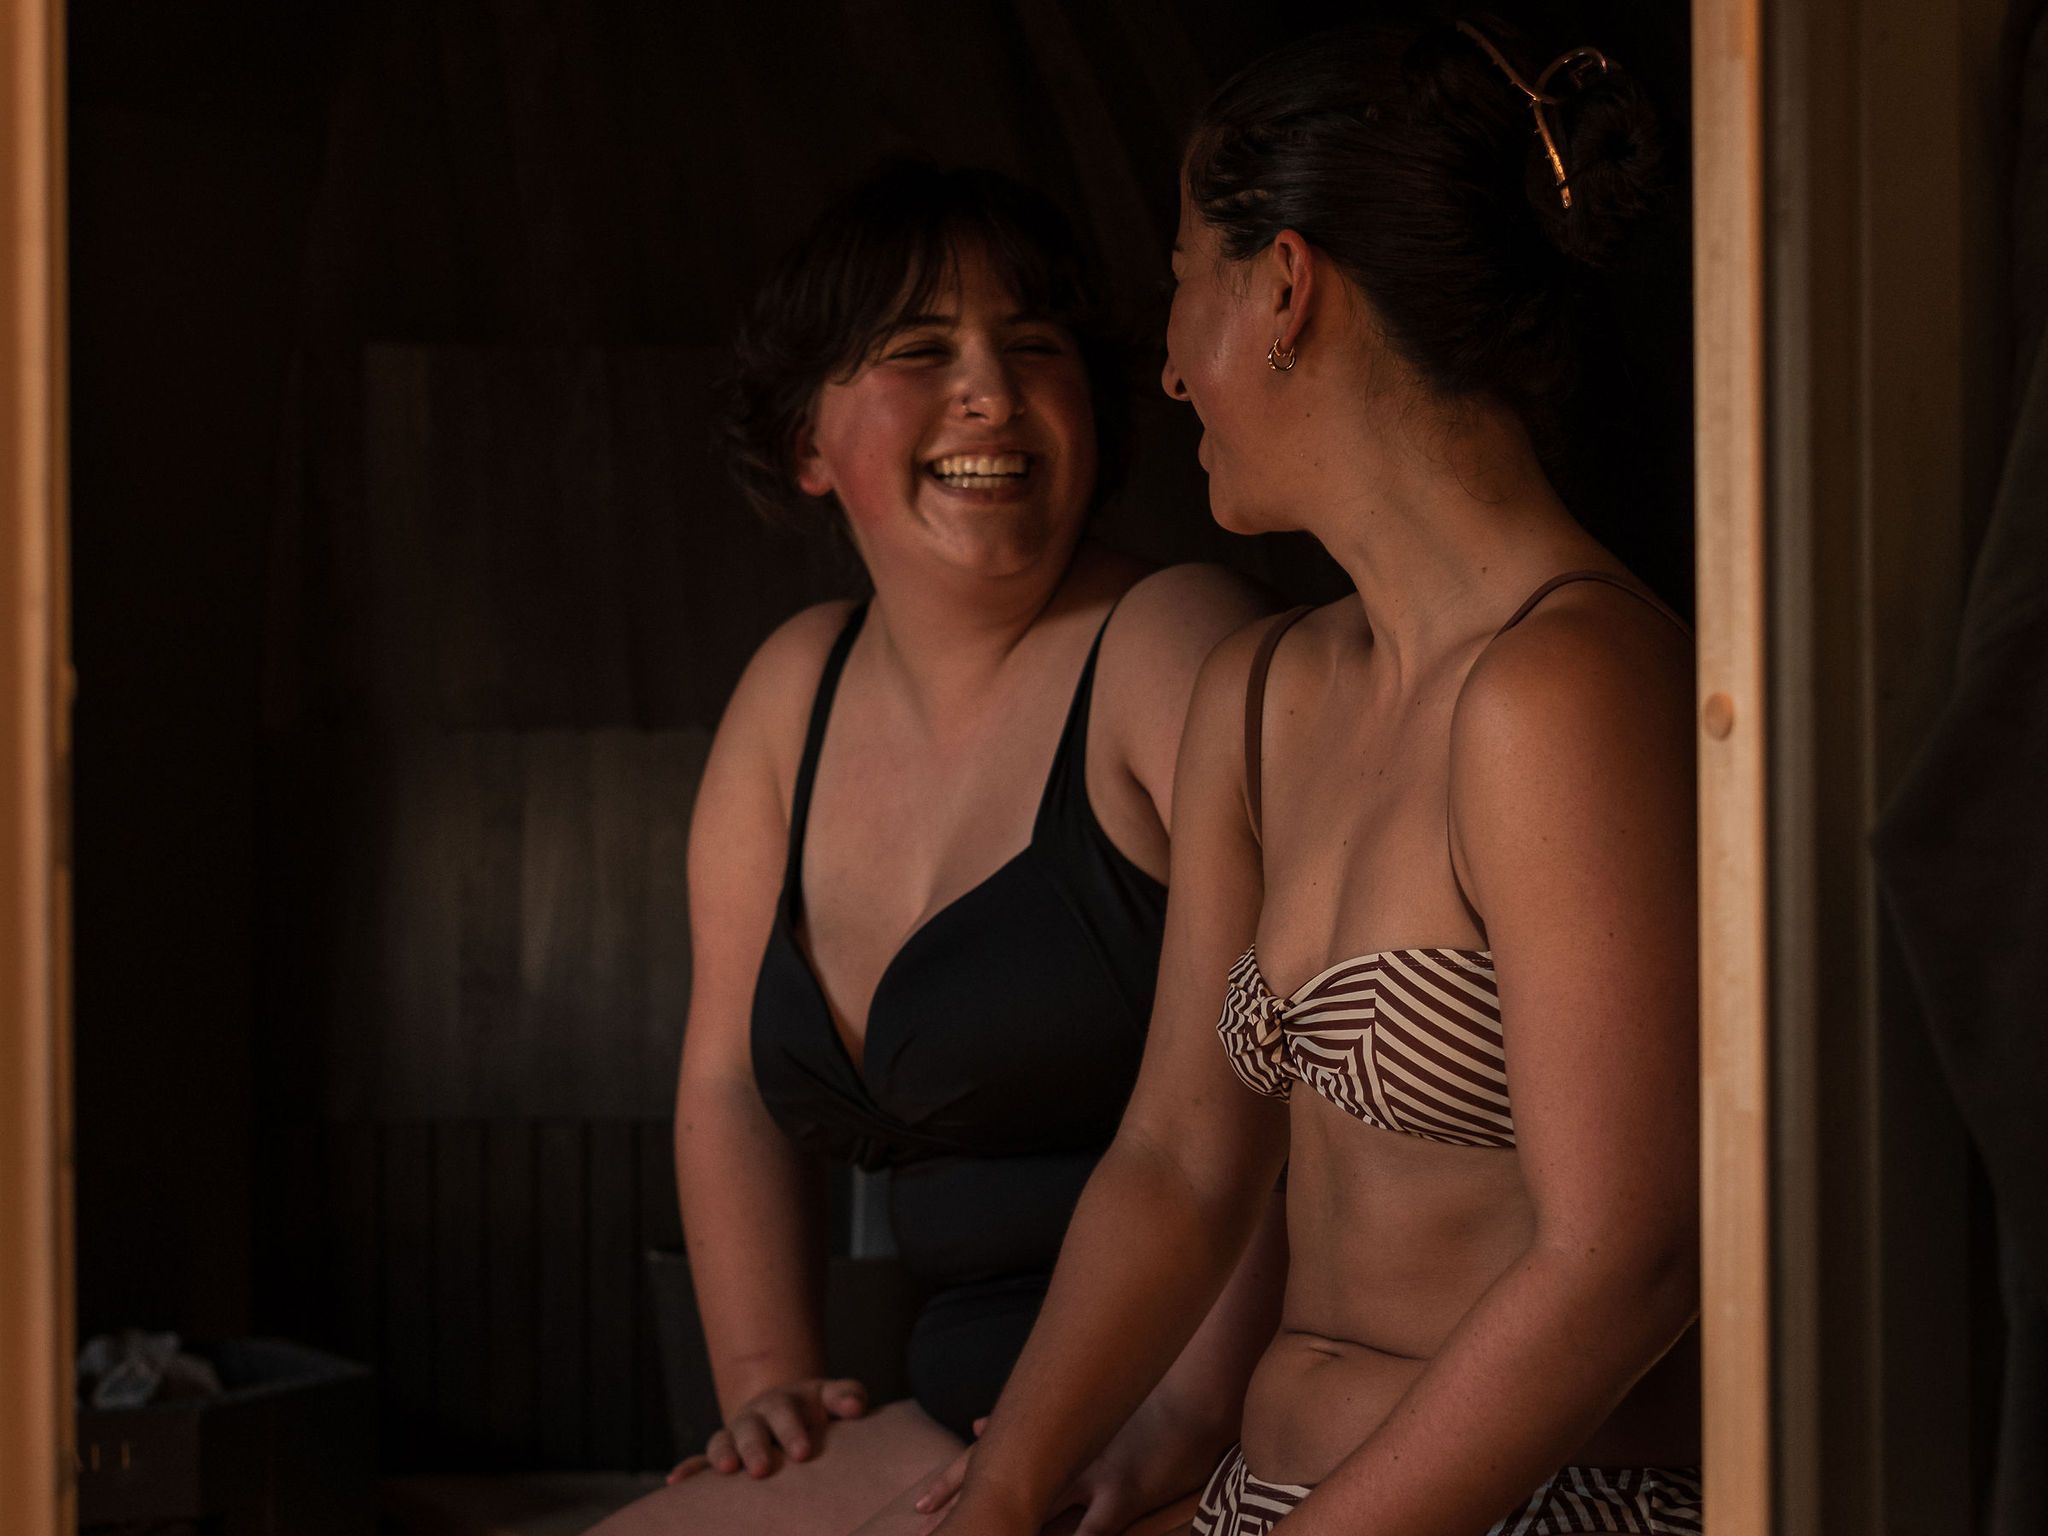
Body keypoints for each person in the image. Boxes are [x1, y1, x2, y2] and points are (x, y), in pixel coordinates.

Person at [914, 17, 1702, 1536]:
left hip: (1546, 1509)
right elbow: (1176, 1164)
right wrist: (998, 1499)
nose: (1165, 367)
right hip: (1265, 1495)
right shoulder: (1263, 697)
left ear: (1285, 288)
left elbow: (1630, 1255)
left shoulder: (1566, 687)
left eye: (1180, 293)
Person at [587, 162, 1278, 1536]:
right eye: (919, 352)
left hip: (1209, 1416)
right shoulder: (796, 689)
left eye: (1036, 348)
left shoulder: (1174, 646)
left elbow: (1299, 1094)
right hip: (958, 1419)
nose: (990, 391)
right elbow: (727, 1081)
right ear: (805, 444)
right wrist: (768, 1379)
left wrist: (1178, 1420)